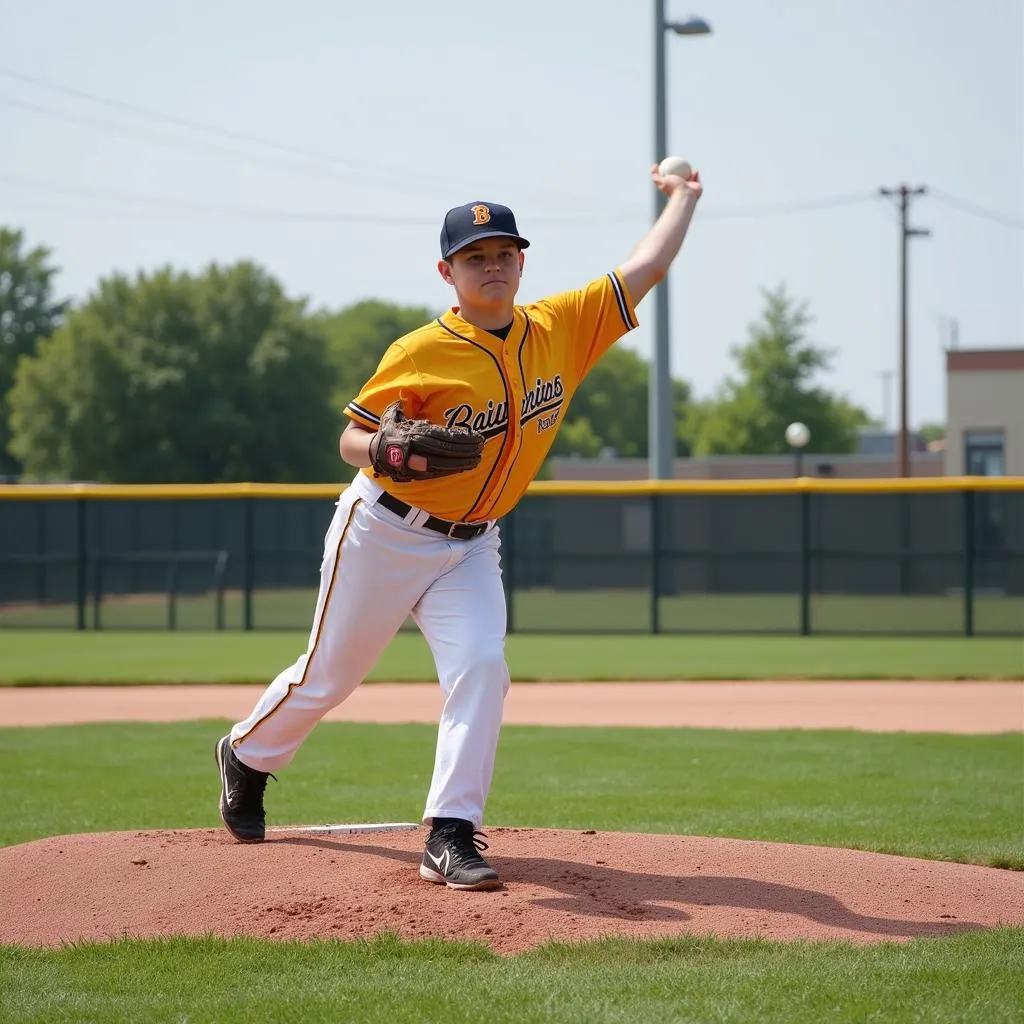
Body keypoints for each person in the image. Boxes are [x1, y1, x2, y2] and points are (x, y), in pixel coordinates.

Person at [215, 163, 703, 890]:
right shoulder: (419, 351)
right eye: (476, 257)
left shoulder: (561, 326)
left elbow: (649, 265)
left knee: (483, 666)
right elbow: (348, 439)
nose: (493, 265)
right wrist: (381, 447)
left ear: (522, 262)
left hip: (474, 544)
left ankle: (450, 832)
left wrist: (685, 198)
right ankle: (247, 756)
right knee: (328, 678)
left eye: (504, 252)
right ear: (448, 271)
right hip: (383, 532)